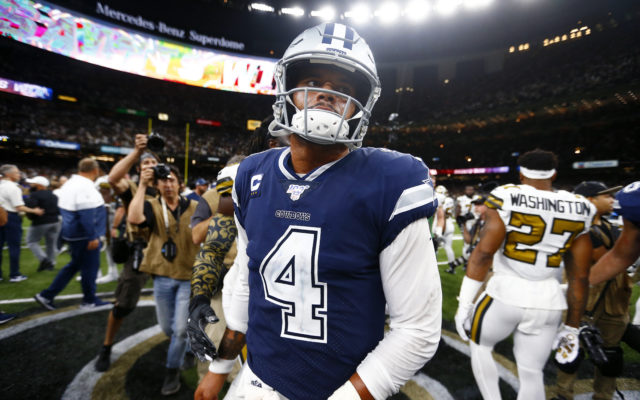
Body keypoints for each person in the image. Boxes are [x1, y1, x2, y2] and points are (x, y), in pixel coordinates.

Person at [196, 22, 441, 400]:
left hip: (337, 388)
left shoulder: (391, 179)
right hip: (255, 377)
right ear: (287, 90)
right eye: (313, 81)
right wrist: (220, 367)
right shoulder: (252, 173)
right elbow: (247, 279)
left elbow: (417, 330)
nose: (326, 96)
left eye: (342, 90)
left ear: (360, 106)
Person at [454, 149, 594, 400]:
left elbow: (484, 253)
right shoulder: (580, 206)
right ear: (554, 174)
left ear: (520, 175)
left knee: (480, 345)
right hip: (549, 302)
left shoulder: (507, 197)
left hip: (505, 294)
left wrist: (464, 303)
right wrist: (572, 327)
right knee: (532, 372)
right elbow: (580, 277)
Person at [128, 163, 200, 396]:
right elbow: (134, 218)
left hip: (187, 275)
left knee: (179, 330)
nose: (168, 184)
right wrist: (141, 185)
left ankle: (172, 372)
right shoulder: (152, 206)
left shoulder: (195, 207)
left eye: (172, 180)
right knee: (168, 329)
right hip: (162, 276)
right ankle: (189, 347)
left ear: (179, 183)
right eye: (163, 181)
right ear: (157, 185)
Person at [554, 181, 629, 400]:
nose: (612, 200)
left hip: (616, 299)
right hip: (583, 299)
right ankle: (563, 394)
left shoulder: (610, 226)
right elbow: (606, 258)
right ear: (589, 201)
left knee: (611, 354)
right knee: (571, 349)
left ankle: (604, 396)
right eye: (606, 196)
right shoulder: (574, 228)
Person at [94, 134, 158, 372]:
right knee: (123, 304)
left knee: (179, 301)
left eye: (154, 164)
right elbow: (112, 178)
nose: (150, 168)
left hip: (166, 253)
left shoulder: (168, 186)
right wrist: (136, 153)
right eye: (146, 165)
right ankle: (107, 346)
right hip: (140, 253)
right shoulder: (132, 187)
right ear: (140, 169)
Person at [34, 158, 108, 309]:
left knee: (74, 266)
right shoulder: (84, 186)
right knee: (90, 268)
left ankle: (47, 295)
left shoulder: (70, 183)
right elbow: (86, 214)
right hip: (84, 235)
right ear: (95, 170)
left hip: (73, 233)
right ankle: (89, 300)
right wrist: (92, 236)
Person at [589, 181, 640, 285]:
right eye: (607, 197)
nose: (612, 200)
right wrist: (581, 285)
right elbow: (620, 256)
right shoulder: (632, 200)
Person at [0, 164, 44, 282]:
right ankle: (15, 274)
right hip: (11, 217)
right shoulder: (13, 187)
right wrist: (34, 210)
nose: (19, 175)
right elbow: (19, 207)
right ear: (9, 174)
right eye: (17, 172)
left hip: (1, 215)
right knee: (14, 247)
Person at [25, 175, 61, 272]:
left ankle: (44, 260)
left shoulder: (35, 195)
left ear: (40, 185)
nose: (31, 185)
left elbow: (32, 208)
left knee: (31, 241)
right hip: (55, 221)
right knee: (51, 244)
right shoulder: (54, 195)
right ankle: (51, 264)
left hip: (41, 221)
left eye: (33, 183)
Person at [433, 185, 458, 273]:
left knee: (434, 248)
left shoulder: (440, 200)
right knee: (448, 247)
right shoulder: (450, 200)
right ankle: (452, 267)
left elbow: (440, 215)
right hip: (450, 223)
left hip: (443, 225)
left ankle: (432, 268)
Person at [454, 185, 478, 269]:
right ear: (465, 190)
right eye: (468, 189)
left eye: (471, 189)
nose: (470, 191)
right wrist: (458, 219)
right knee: (467, 243)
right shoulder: (461, 199)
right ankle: (467, 262)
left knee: (475, 243)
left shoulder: (477, 198)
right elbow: (457, 209)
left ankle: (469, 261)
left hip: (475, 222)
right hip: (465, 222)